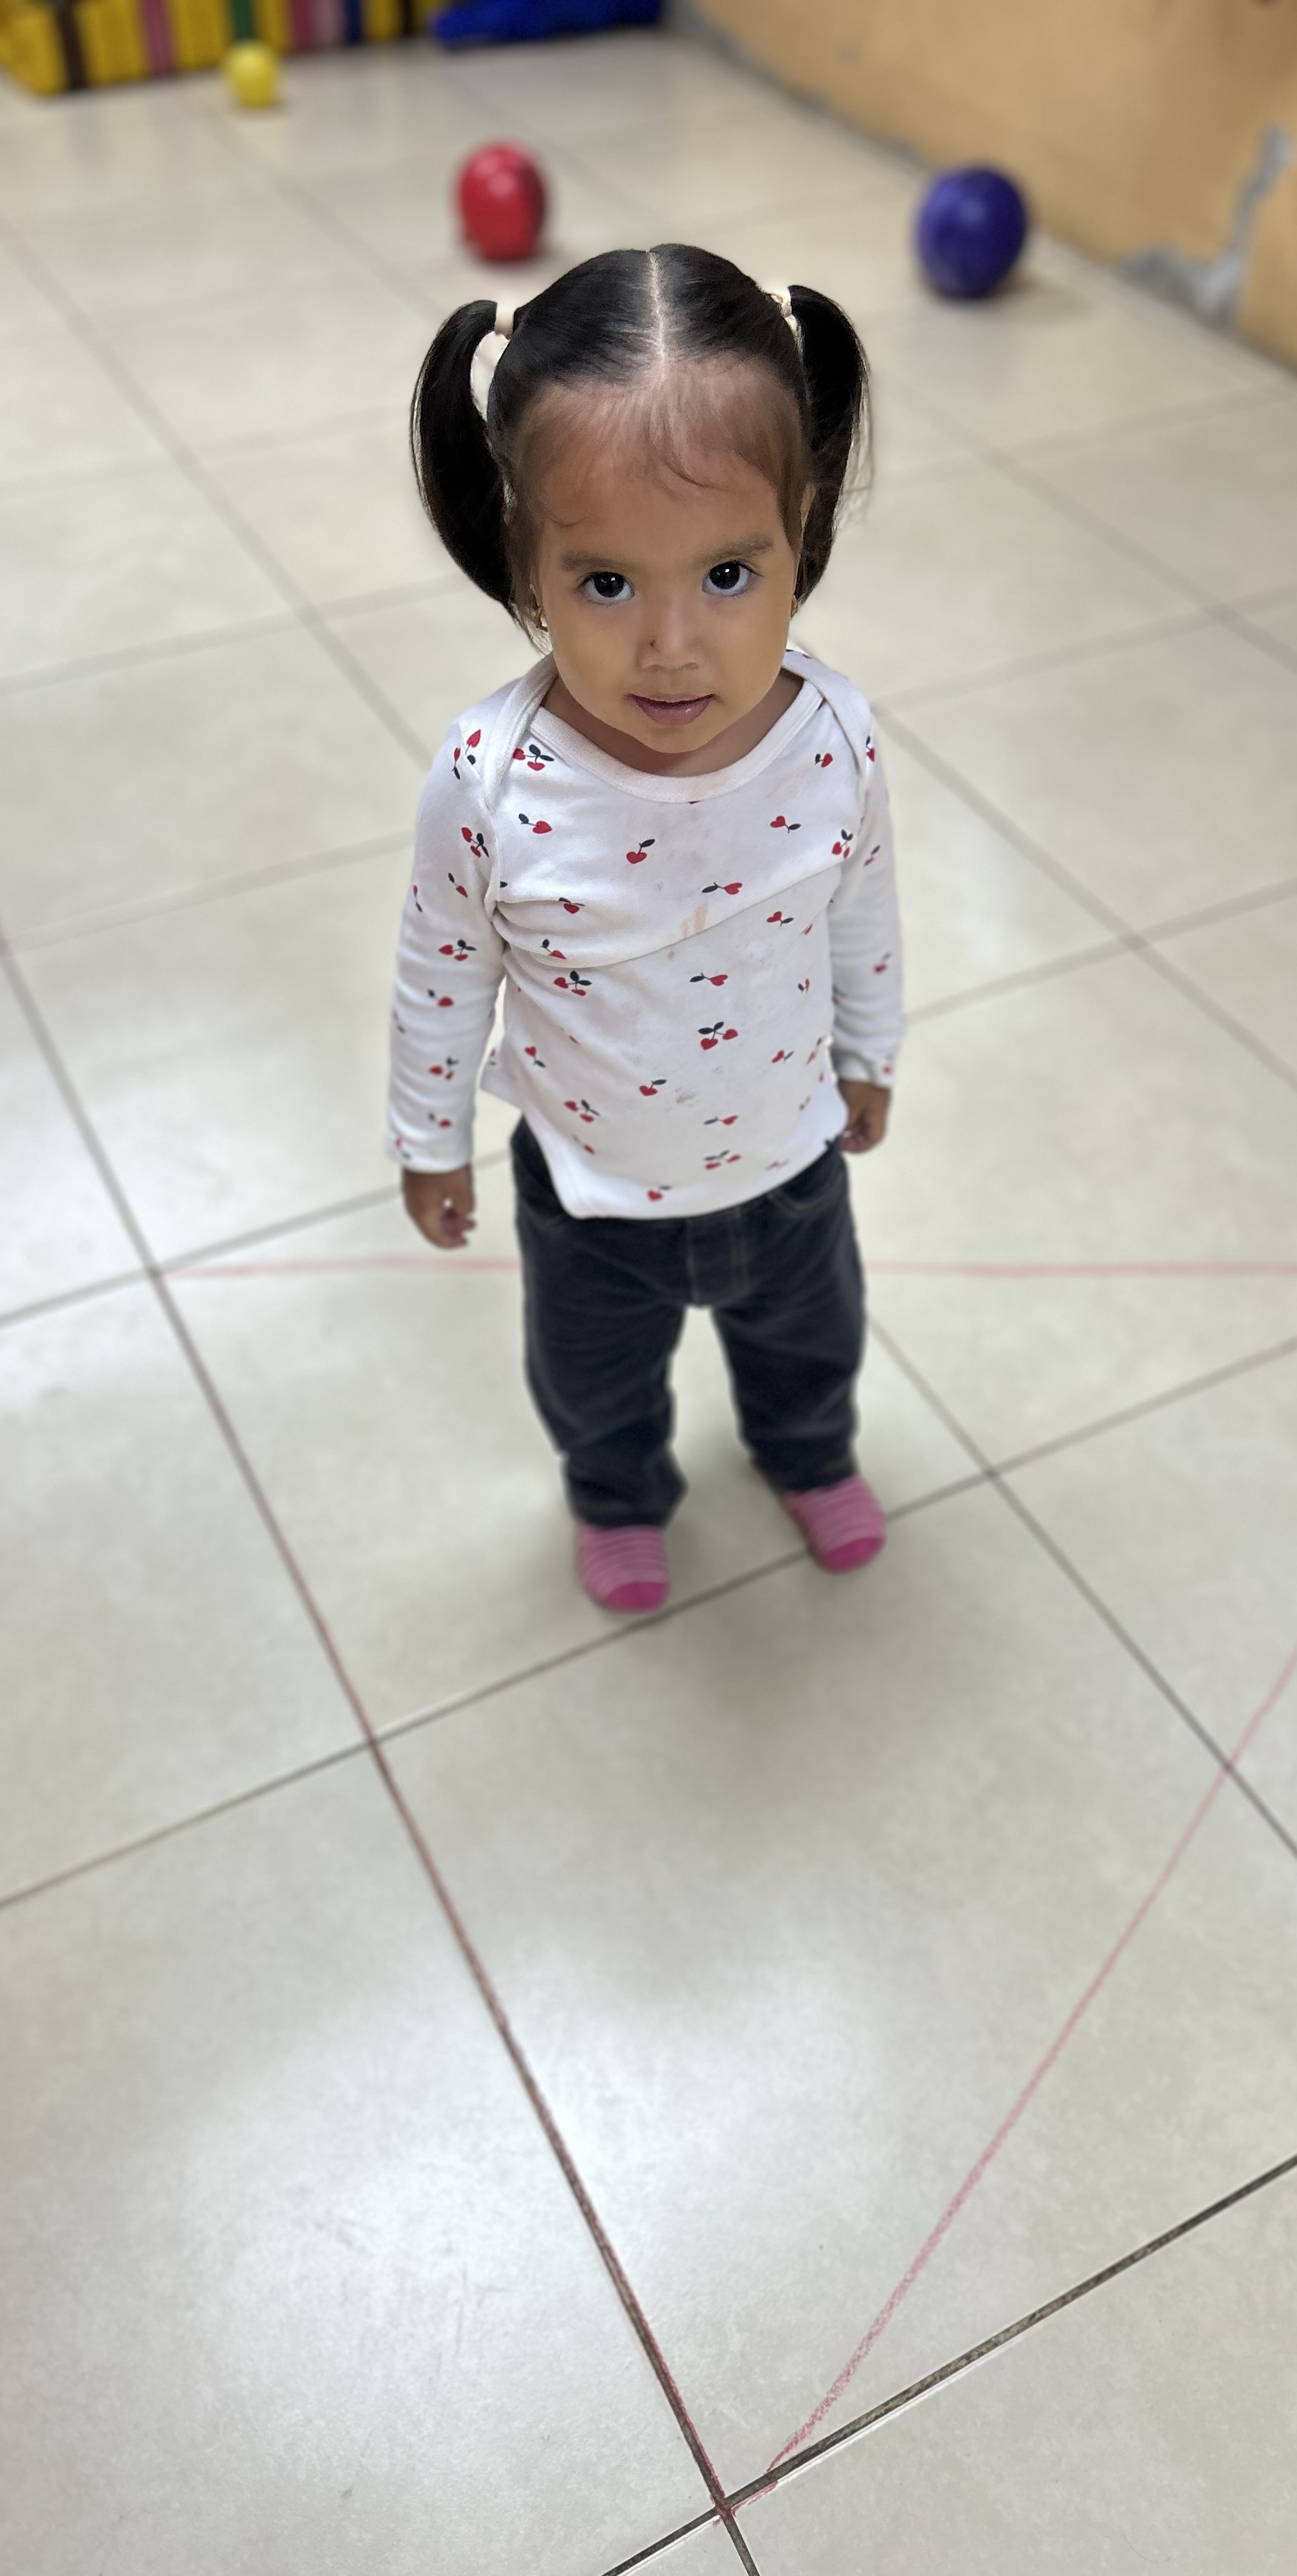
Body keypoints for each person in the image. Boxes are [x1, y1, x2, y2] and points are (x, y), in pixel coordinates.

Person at [389, 243, 903, 1617]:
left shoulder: (834, 737)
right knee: (592, 1380)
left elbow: (862, 902)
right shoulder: (493, 781)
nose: (672, 646)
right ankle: (616, 1496)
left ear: (802, 531)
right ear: (526, 560)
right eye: (607, 584)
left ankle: (809, 1453)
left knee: (814, 1343)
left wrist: (872, 1050)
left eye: (729, 572)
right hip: (589, 1193)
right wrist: (427, 1137)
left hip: (789, 1164)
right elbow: (440, 976)